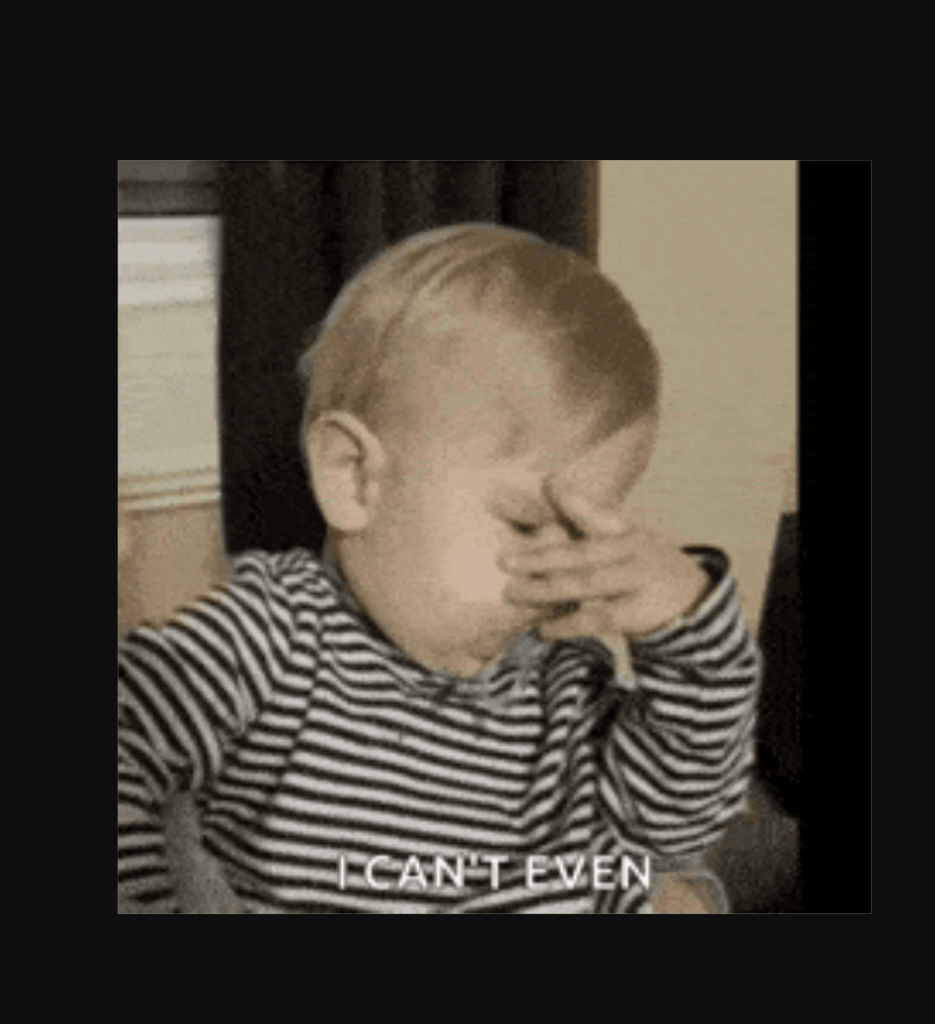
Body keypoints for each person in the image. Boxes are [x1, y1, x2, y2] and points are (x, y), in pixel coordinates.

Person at [118, 223, 761, 914]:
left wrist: (693, 637)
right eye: (525, 524)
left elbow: (670, 831)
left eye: (583, 532)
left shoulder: (564, 676)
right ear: (354, 477)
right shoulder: (271, 634)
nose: (558, 572)